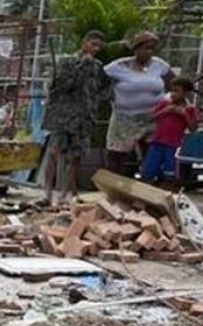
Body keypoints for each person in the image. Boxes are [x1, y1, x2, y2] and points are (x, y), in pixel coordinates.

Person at [42, 30, 109, 207]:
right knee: (55, 154)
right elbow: (62, 84)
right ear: (84, 42)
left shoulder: (97, 67)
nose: (95, 49)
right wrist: (81, 67)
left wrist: (95, 102)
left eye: (99, 47)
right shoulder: (67, 62)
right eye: (93, 44)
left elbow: (105, 88)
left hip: (84, 118)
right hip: (64, 116)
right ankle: (47, 193)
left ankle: (65, 194)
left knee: (76, 156)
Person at [105, 31, 175, 175]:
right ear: (136, 49)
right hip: (125, 118)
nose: (149, 52)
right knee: (117, 153)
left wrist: (169, 101)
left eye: (152, 49)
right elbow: (99, 83)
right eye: (146, 48)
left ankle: (148, 186)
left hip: (153, 117)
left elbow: (176, 84)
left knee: (150, 154)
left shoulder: (159, 65)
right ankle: (112, 186)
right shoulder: (118, 67)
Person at [141, 75, 199, 188]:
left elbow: (193, 128)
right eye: (172, 90)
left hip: (173, 145)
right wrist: (166, 111)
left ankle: (167, 191)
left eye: (177, 91)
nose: (173, 94)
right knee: (148, 170)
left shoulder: (190, 109)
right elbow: (151, 118)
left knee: (170, 174)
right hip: (157, 142)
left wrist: (184, 115)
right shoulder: (165, 104)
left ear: (186, 93)